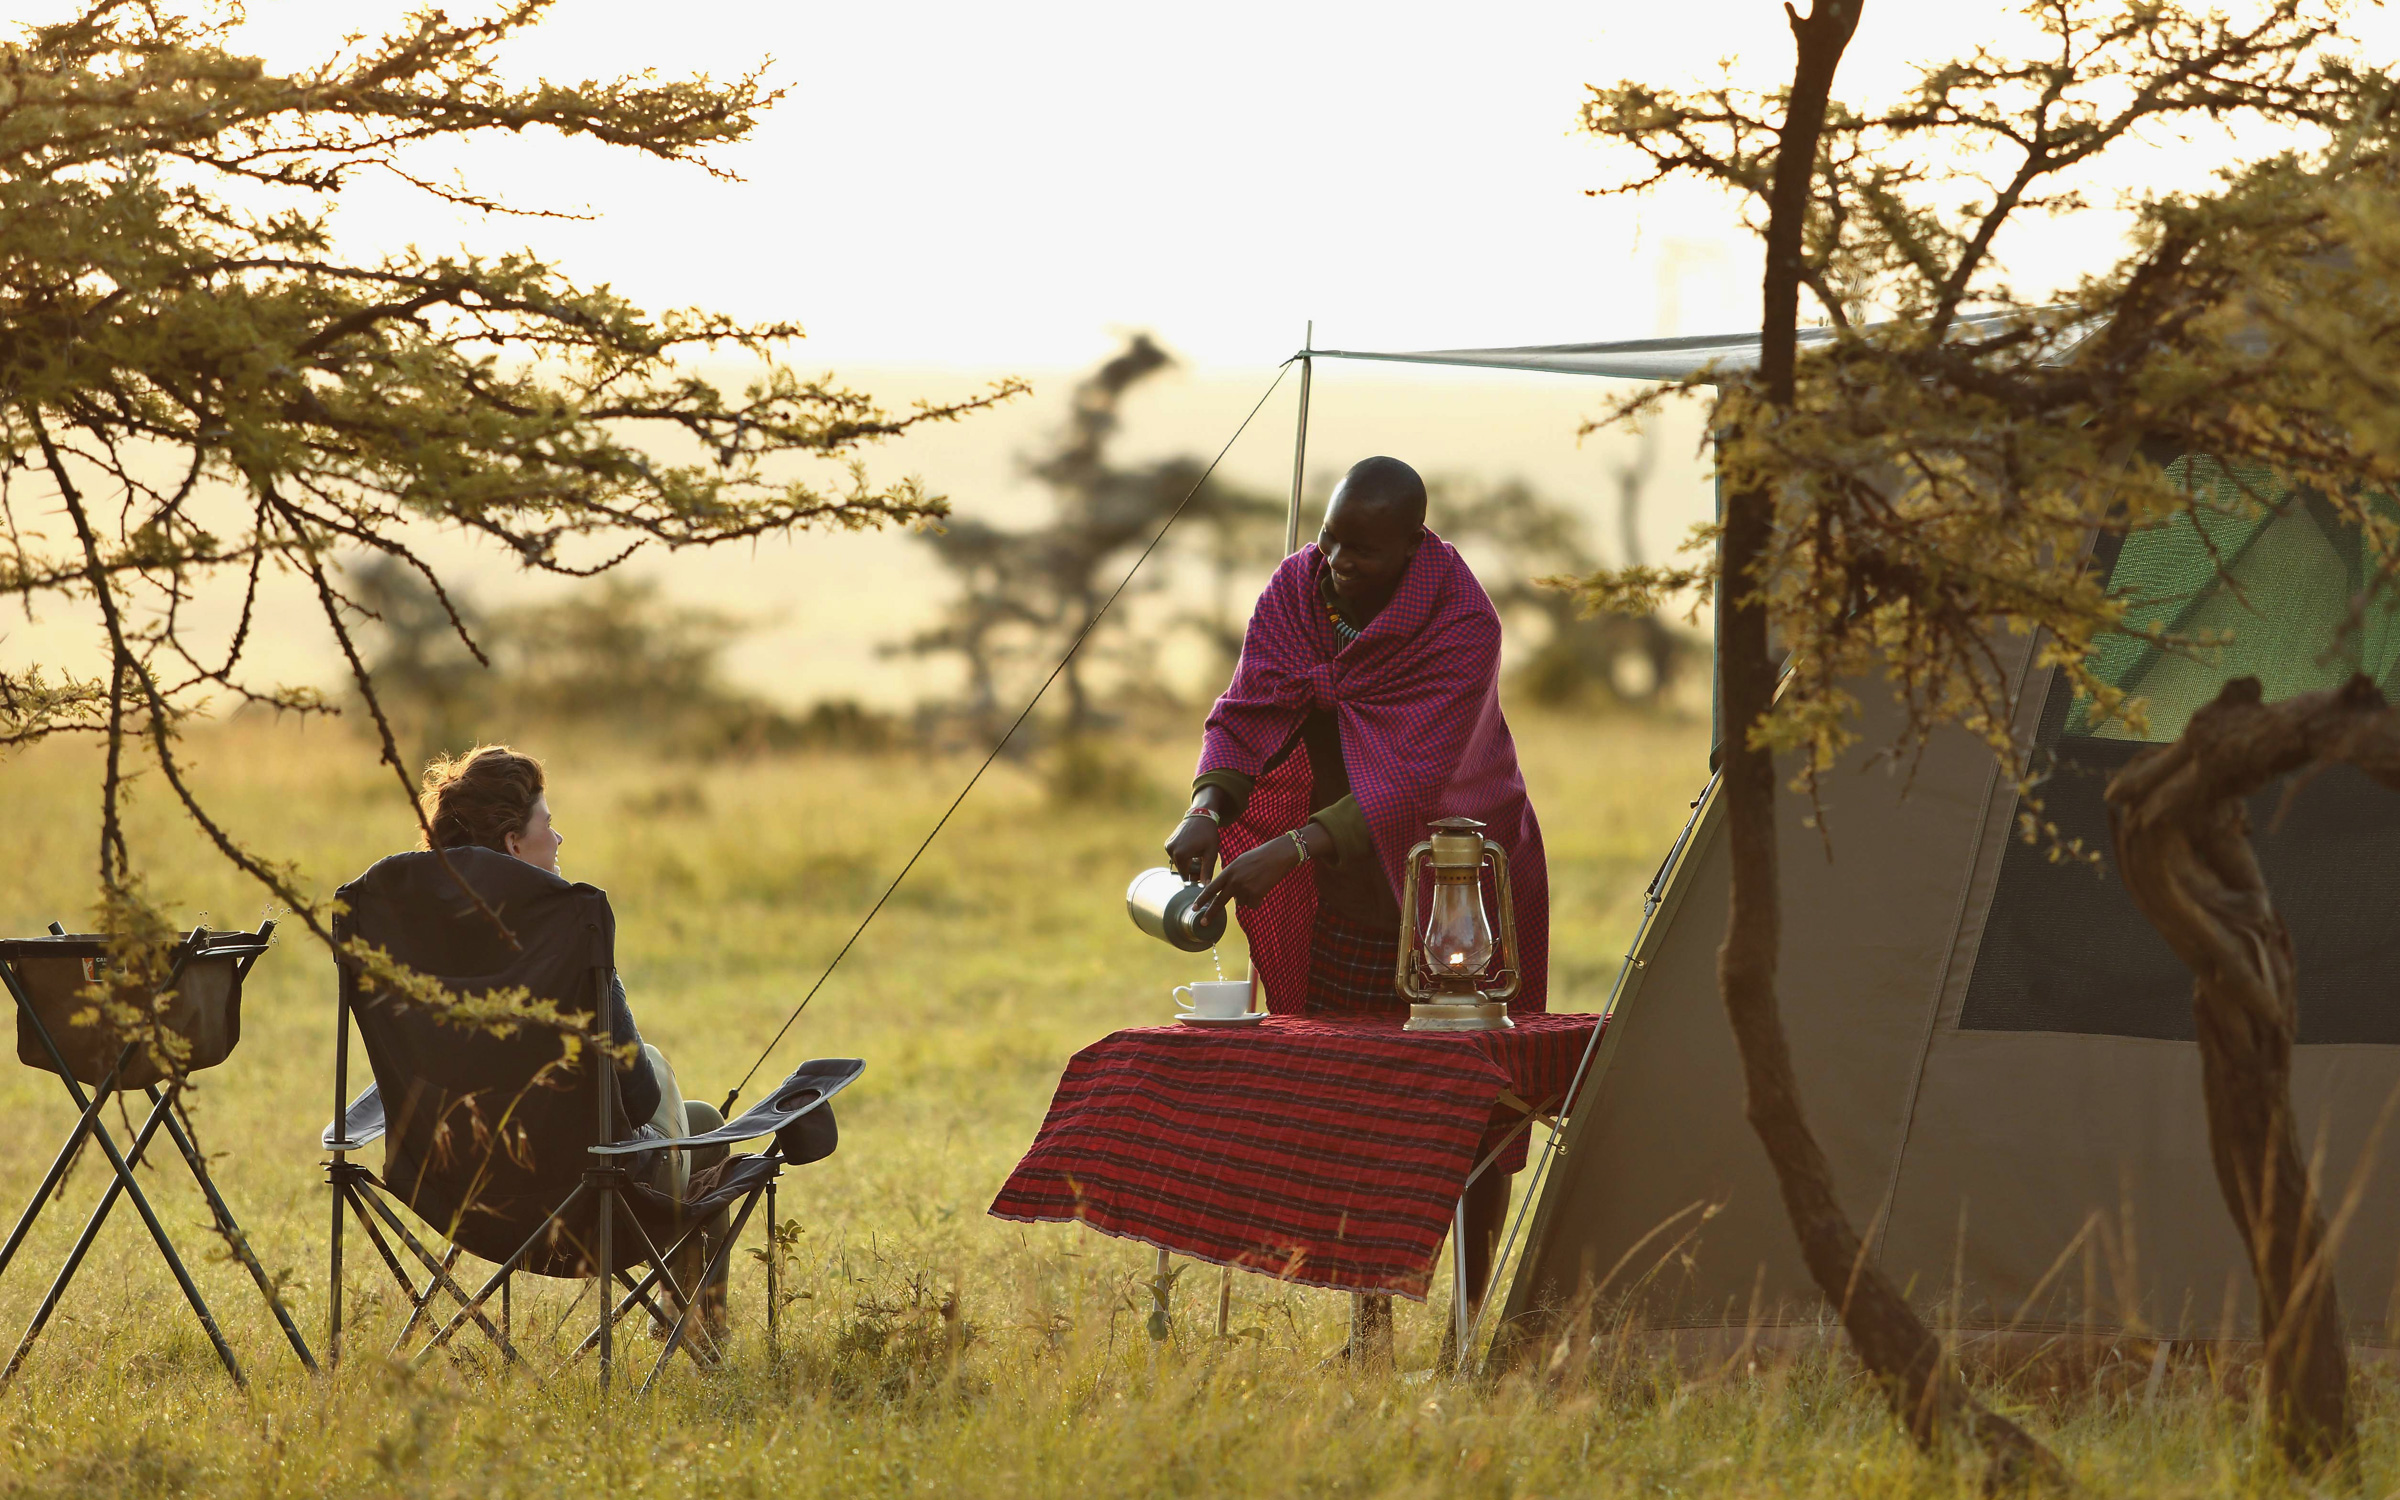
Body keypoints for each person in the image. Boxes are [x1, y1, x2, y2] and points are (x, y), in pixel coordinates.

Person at [1168, 455, 1550, 1363]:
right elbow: (1249, 704)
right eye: (1329, 535)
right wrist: (1208, 809)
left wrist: (1287, 848)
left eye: (1361, 549)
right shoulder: (1299, 590)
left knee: (1471, 1110)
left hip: (1456, 890)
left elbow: (1415, 778)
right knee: (1354, 1106)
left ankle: (1464, 1328)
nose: (1333, 558)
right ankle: (1368, 1328)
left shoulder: (1460, 623)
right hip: (1344, 889)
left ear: (1413, 545)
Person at [417, 744, 729, 1332]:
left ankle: (691, 1322)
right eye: (548, 824)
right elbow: (636, 1096)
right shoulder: (570, 931)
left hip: (458, 1191)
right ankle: (694, 1326)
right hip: (585, 1200)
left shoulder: (415, 939)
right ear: (514, 842)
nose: (558, 840)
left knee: (705, 1120)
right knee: (701, 1121)